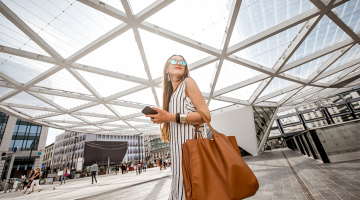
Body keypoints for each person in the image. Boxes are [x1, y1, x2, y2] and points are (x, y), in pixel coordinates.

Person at [145, 55, 210, 200]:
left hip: (194, 155)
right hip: (178, 158)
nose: (179, 63)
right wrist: (163, 118)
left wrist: (170, 117)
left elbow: (205, 116)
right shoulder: (170, 96)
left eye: (182, 62)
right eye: (174, 61)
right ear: (167, 69)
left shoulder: (188, 82)